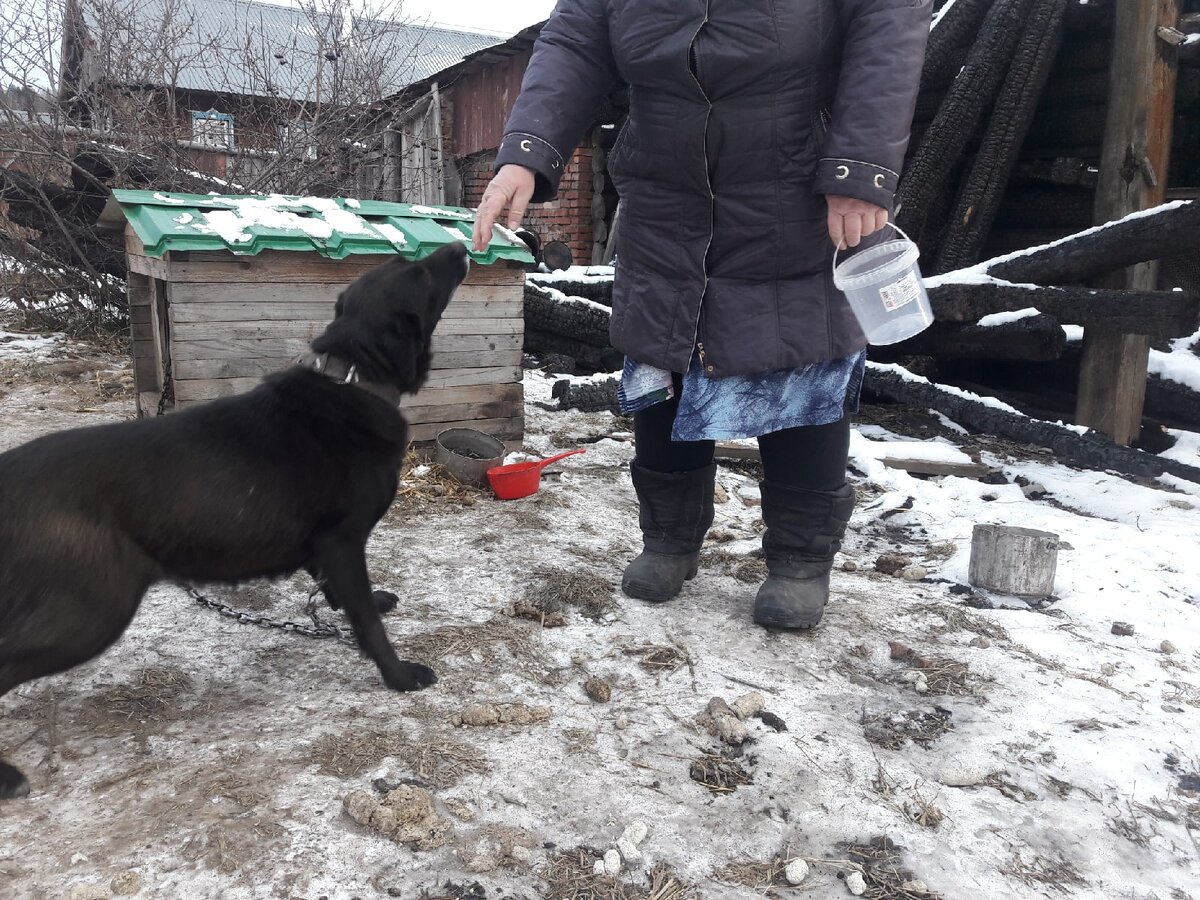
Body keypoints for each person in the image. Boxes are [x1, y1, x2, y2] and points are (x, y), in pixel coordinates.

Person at [473, 0, 934, 630]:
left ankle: (799, 560)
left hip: (796, 183)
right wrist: (527, 150)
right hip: (666, 190)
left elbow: (889, 22)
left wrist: (861, 163)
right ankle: (669, 540)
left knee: (800, 363)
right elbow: (577, 38)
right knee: (665, 359)